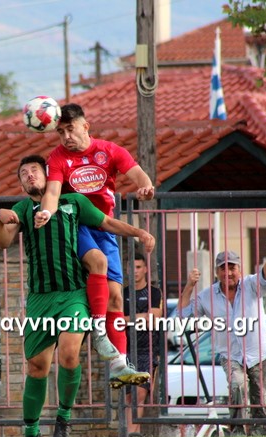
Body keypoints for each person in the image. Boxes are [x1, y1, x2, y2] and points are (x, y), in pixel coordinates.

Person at [0, 154, 155, 437]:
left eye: (34, 171)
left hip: (73, 295)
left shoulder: (73, 202)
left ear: (48, 175)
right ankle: (29, 436)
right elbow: (2, 242)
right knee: (37, 367)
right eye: (23, 173)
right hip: (40, 298)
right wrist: (2, 218)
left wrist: (138, 233)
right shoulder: (24, 210)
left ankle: (63, 418)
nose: (29, 176)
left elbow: (107, 223)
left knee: (69, 355)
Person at [35, 103, 156, 372]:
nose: (66, 136)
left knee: (115, 296)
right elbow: (53, 193)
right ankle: (99, 332)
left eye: (70, 129)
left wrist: (146, 187)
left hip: (105, 227)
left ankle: (120, 364)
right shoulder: (57, 158)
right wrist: (46, 211)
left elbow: (138, 175)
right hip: (74, 225)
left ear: (85, 126)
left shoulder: (109, 150)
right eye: (60, 132)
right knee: (97, 261)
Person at [176, 239, 266, 436]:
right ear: (217, 273)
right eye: (223, 269)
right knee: (237, 387)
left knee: (262, 398)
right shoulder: (207, 296)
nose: (228, 273)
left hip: (261, 352)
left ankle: (262, 433)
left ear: (239, 269)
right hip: (231, 355)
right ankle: (238, 431)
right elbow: (181, 315)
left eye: (232, 268)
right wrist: (190, 285)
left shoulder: (251, 285)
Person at [123, 252, 163, 437]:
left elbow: (154, 319)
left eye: (139, 267)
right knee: (129, 395)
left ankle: (133, 433)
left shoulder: (154, 293)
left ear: (145, 269)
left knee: (140, 393)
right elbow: (116, 320)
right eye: (132, 267)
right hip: (125, 348)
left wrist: (130, 319)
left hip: (147, 349)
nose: (135, 271)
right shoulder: (123, 294)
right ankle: (130, 434)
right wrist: (141, 317)